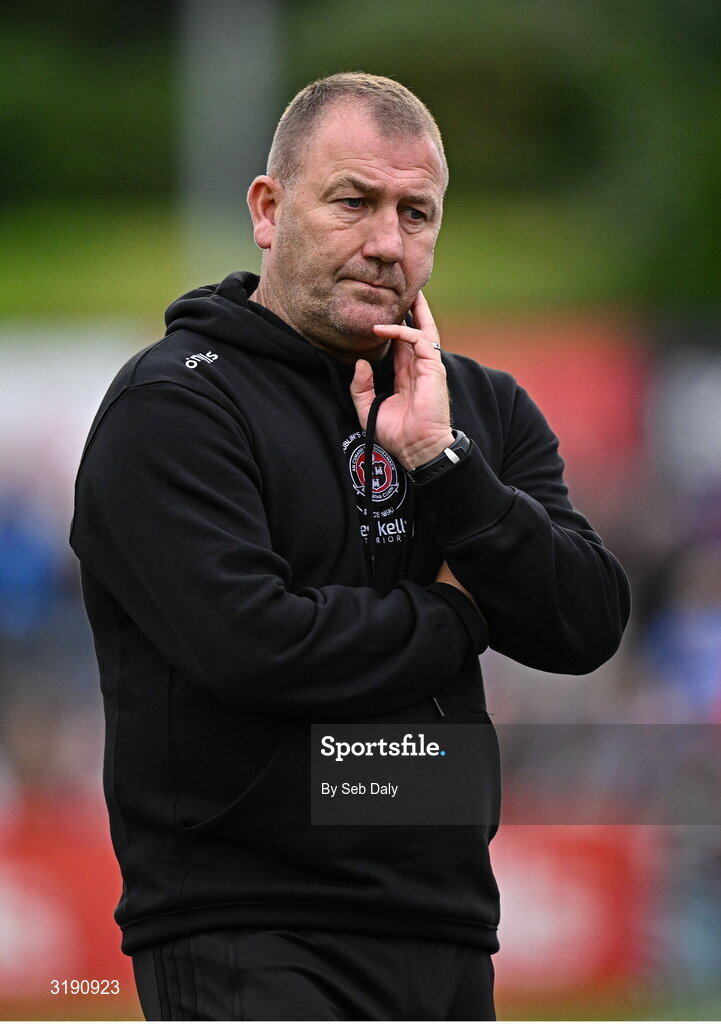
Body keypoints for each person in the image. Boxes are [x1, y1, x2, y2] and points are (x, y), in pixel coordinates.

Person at [70, 72, 631, 1021]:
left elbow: (585, 622)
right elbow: (256, 646)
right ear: (268, 208)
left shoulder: (477, 409)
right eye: (352, 201)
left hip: (447, 921)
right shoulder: (174, 406)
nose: (386, 242)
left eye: (416, 214)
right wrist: (457, 609)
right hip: (251, 925)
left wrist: (443, 463)